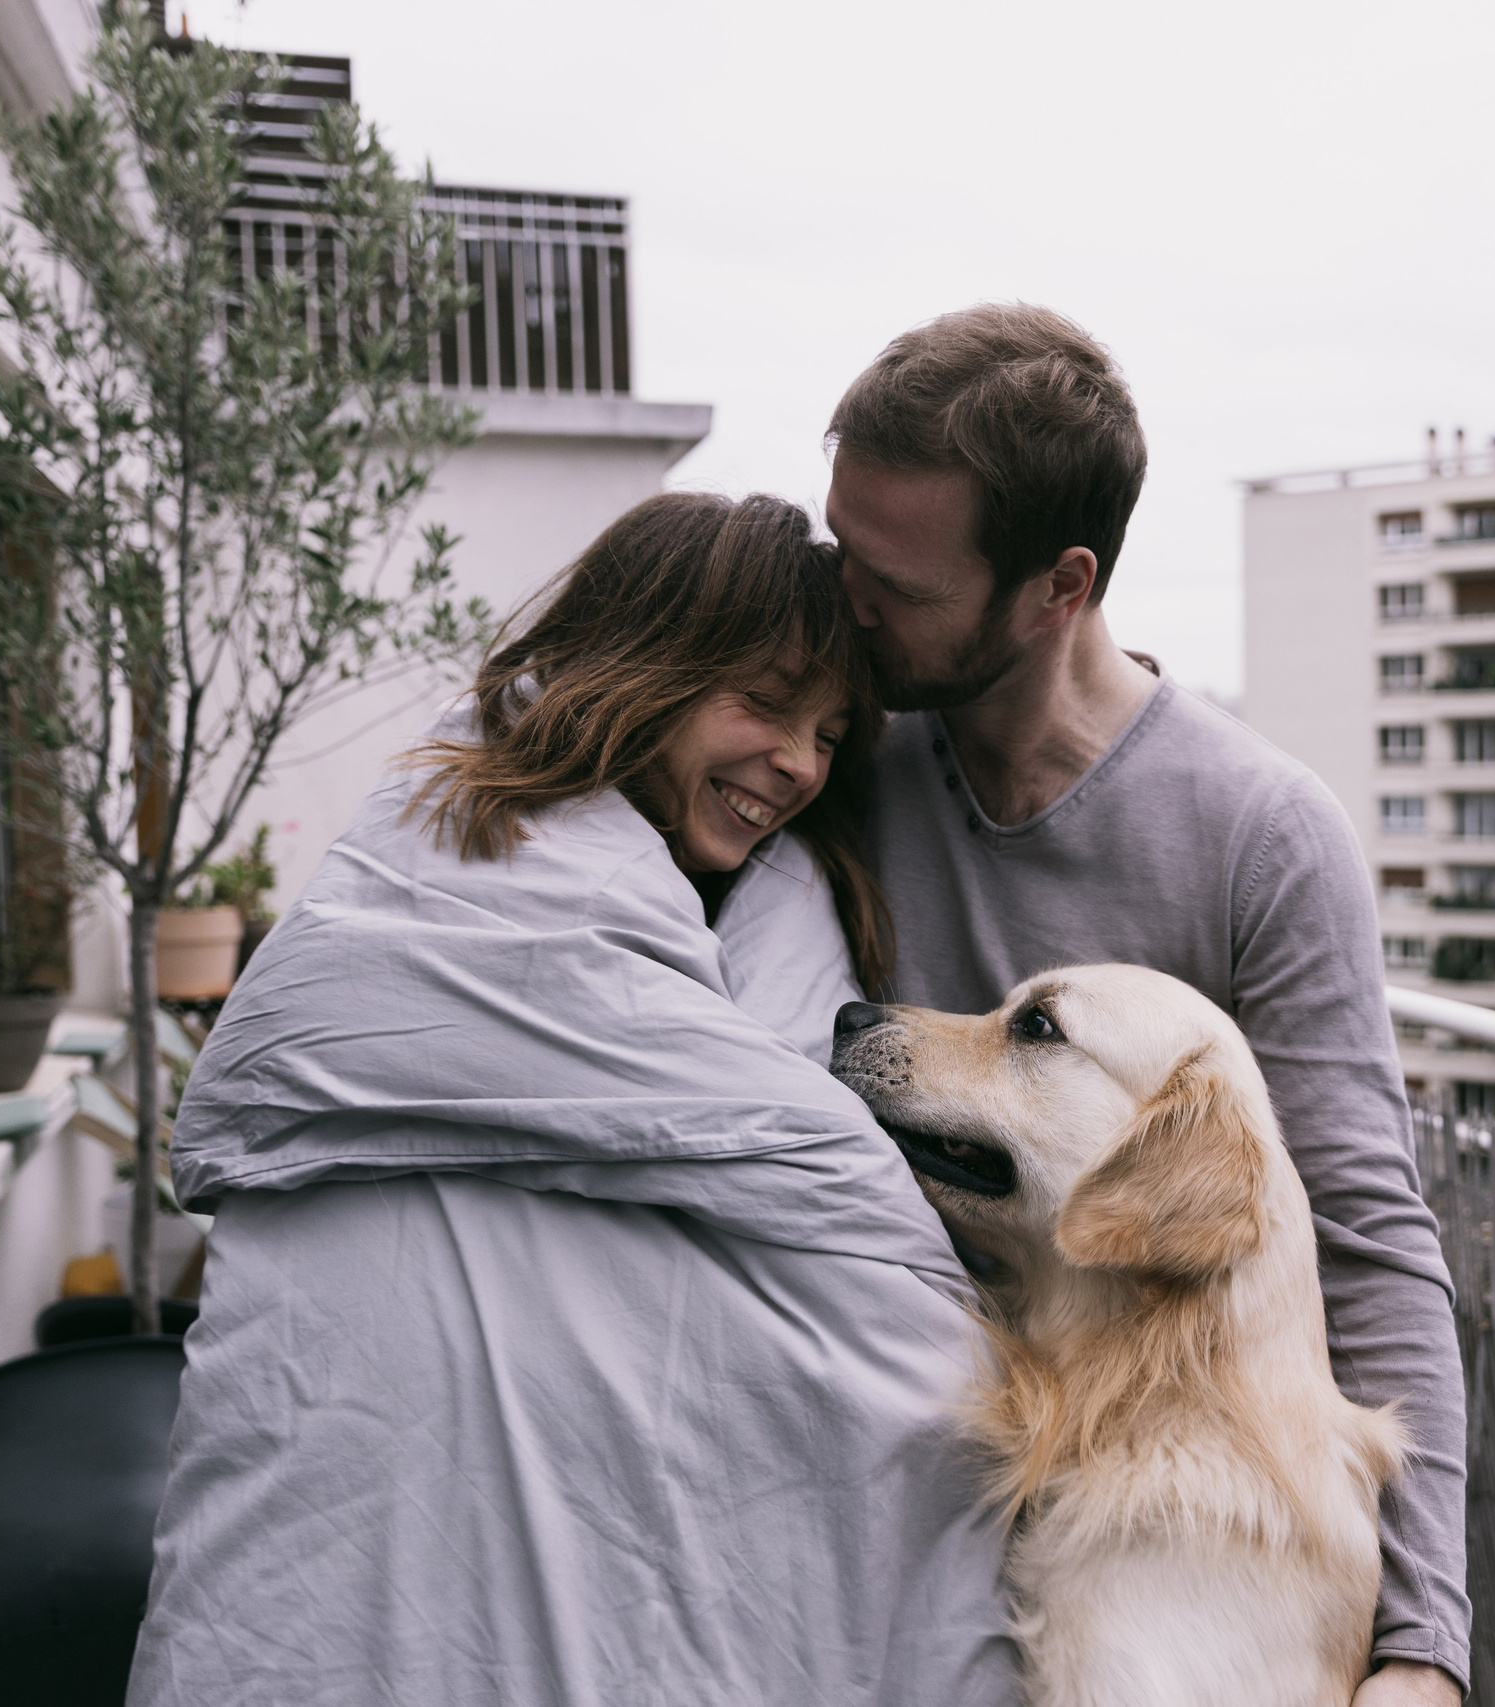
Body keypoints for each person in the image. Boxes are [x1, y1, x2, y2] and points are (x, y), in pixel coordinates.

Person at [128, 494, 1017, 1707]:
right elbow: (313, 1035)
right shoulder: (449, 864)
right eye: (763, 702)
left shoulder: (792, 917)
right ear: (645, 662)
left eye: (830, 731)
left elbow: (841, 1288)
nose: (800, 763)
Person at [826, 306, 1472, 1704]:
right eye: (843, 555)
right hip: (880, 1466)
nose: (850, 610)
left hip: (1153, 1538)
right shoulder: (832, 761)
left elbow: (1364, 1237)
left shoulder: (1261, 832)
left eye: (902, 584)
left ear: (1058, 586)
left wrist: (1422, 1651)